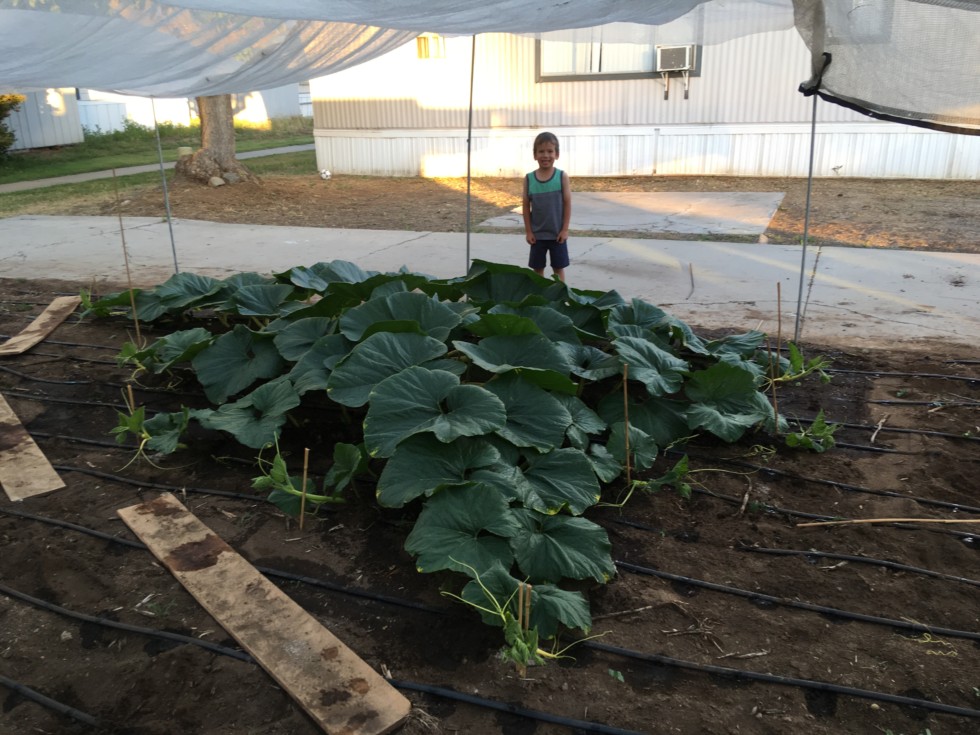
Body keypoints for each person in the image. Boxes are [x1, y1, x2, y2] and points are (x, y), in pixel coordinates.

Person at [522, 132, 571, 282]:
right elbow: (525, 206)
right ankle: (540, 294)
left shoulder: (562, 176)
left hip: (557, 235)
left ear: (557, 154)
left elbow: (567, 203)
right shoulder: (529, 179)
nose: (545, 155)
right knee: (538, 269)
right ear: (535, 155)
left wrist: (564, 229)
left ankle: (560, 294)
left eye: (550, 151)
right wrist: (529, 231)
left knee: (558, 268)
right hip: (537, 237)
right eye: (541, 151)